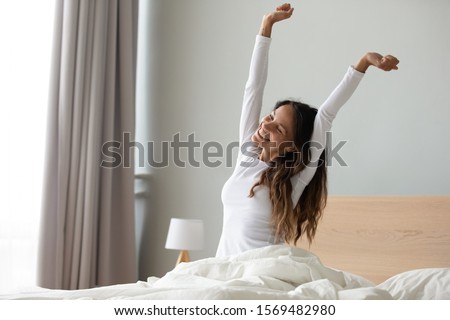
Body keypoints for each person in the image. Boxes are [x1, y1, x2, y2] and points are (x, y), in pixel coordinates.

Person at [215, 3, 399, 257]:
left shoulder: (296, 178)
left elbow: (325, 115)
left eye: (278, 127)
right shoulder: (246, 157)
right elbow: (253, 88)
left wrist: (364, 62)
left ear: (292, 146)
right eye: (270, 116)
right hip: (222, 271)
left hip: (259, 275)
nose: (265, 125)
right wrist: (266, 25)